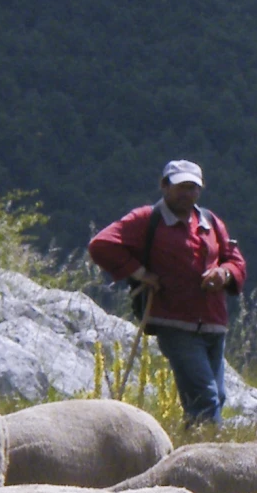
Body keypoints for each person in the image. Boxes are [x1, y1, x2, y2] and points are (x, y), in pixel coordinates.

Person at [89, 160, 246, 425]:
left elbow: (234, 259)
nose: (187, 193)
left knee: (217, 396)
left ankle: (195, 448)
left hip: (213, 323)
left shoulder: (210, 221)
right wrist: (140, 273)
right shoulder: (145, 219)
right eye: (180, 187)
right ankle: (211, 458)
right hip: (174, 323)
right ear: (164, 186)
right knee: (204, 398)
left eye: (193, 188)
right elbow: (101, 244)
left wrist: (225, 274)